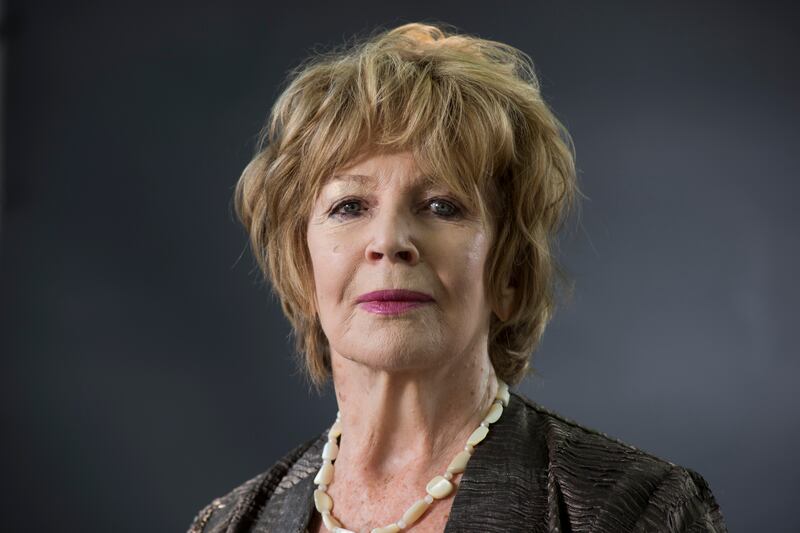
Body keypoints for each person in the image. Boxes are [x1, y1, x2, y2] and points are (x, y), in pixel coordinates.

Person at [187, 22, 726, 533]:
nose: (390, 241)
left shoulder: (636, 512)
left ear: (510, 272)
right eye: (350, 206)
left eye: (442, 206)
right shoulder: (229, 523)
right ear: (302, 269)